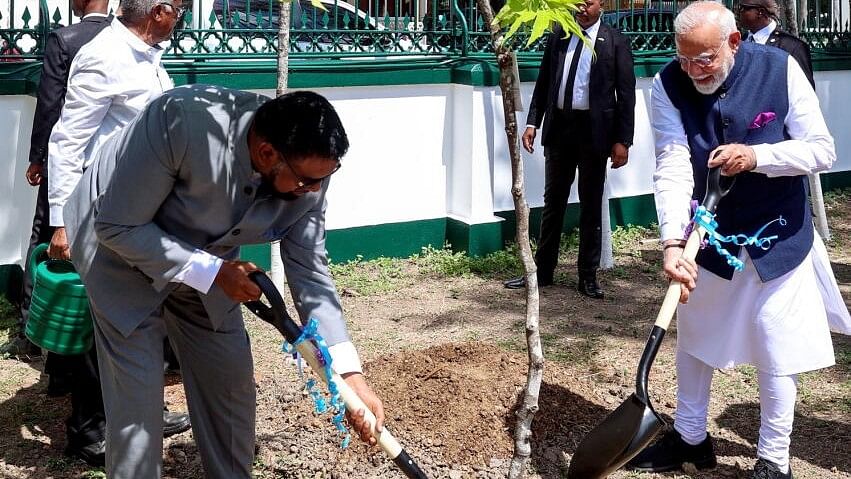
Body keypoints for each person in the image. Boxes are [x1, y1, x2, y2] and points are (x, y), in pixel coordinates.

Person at [62, 86, 386, 479]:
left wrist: (350, 376)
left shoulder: (311, 168)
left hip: (208, 257)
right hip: (116, 245)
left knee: (230, 383)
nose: (314, 190)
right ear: (267, 153)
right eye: (305, 181)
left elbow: (310, 268)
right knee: (138, 402)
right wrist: (214, 273)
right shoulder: (180, 120)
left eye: (324, 178)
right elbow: (117, 225)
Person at [627, 3, 851, 479]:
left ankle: (773, 460)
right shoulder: (668, 83)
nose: (692, 72)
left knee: (776, 345)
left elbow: (821, 149)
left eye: (702, 59)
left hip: (780, 237)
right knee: (694, 339)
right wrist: (671, 241)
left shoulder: (780, 67)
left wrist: (757, 154)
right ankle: (690, 439)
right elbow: (672, 162)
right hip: (707, 237)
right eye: (684, 59)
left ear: (733, 43)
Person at [41, 0, 192, 465]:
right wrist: (62, 221)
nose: (183, 18)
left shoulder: (147, 54)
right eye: (181, 10)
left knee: (142, 315)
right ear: (160, 12)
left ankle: (142, 408)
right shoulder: (105, 55)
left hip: (142, 211)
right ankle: (89, 429)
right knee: (101, 320)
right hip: (103, 211)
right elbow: (68, 140)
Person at [503, 0, 635, 298]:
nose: (581, 9)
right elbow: (545, 81)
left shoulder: (615, 42)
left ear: (601, 4)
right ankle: (543, 272)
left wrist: (622, 141)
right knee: (553, 203)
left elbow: (626, 96)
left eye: (588, 3)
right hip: (560, 129)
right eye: (576, 3)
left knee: (590, 205)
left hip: (595, 133)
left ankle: (587, 277)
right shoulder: (559, 35)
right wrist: (532, 122)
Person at [737, 0, 814, 87]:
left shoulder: (793, 47)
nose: (739, 12)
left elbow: (804, 92)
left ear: (760, 12)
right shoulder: (740, 42)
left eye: (743, 8)